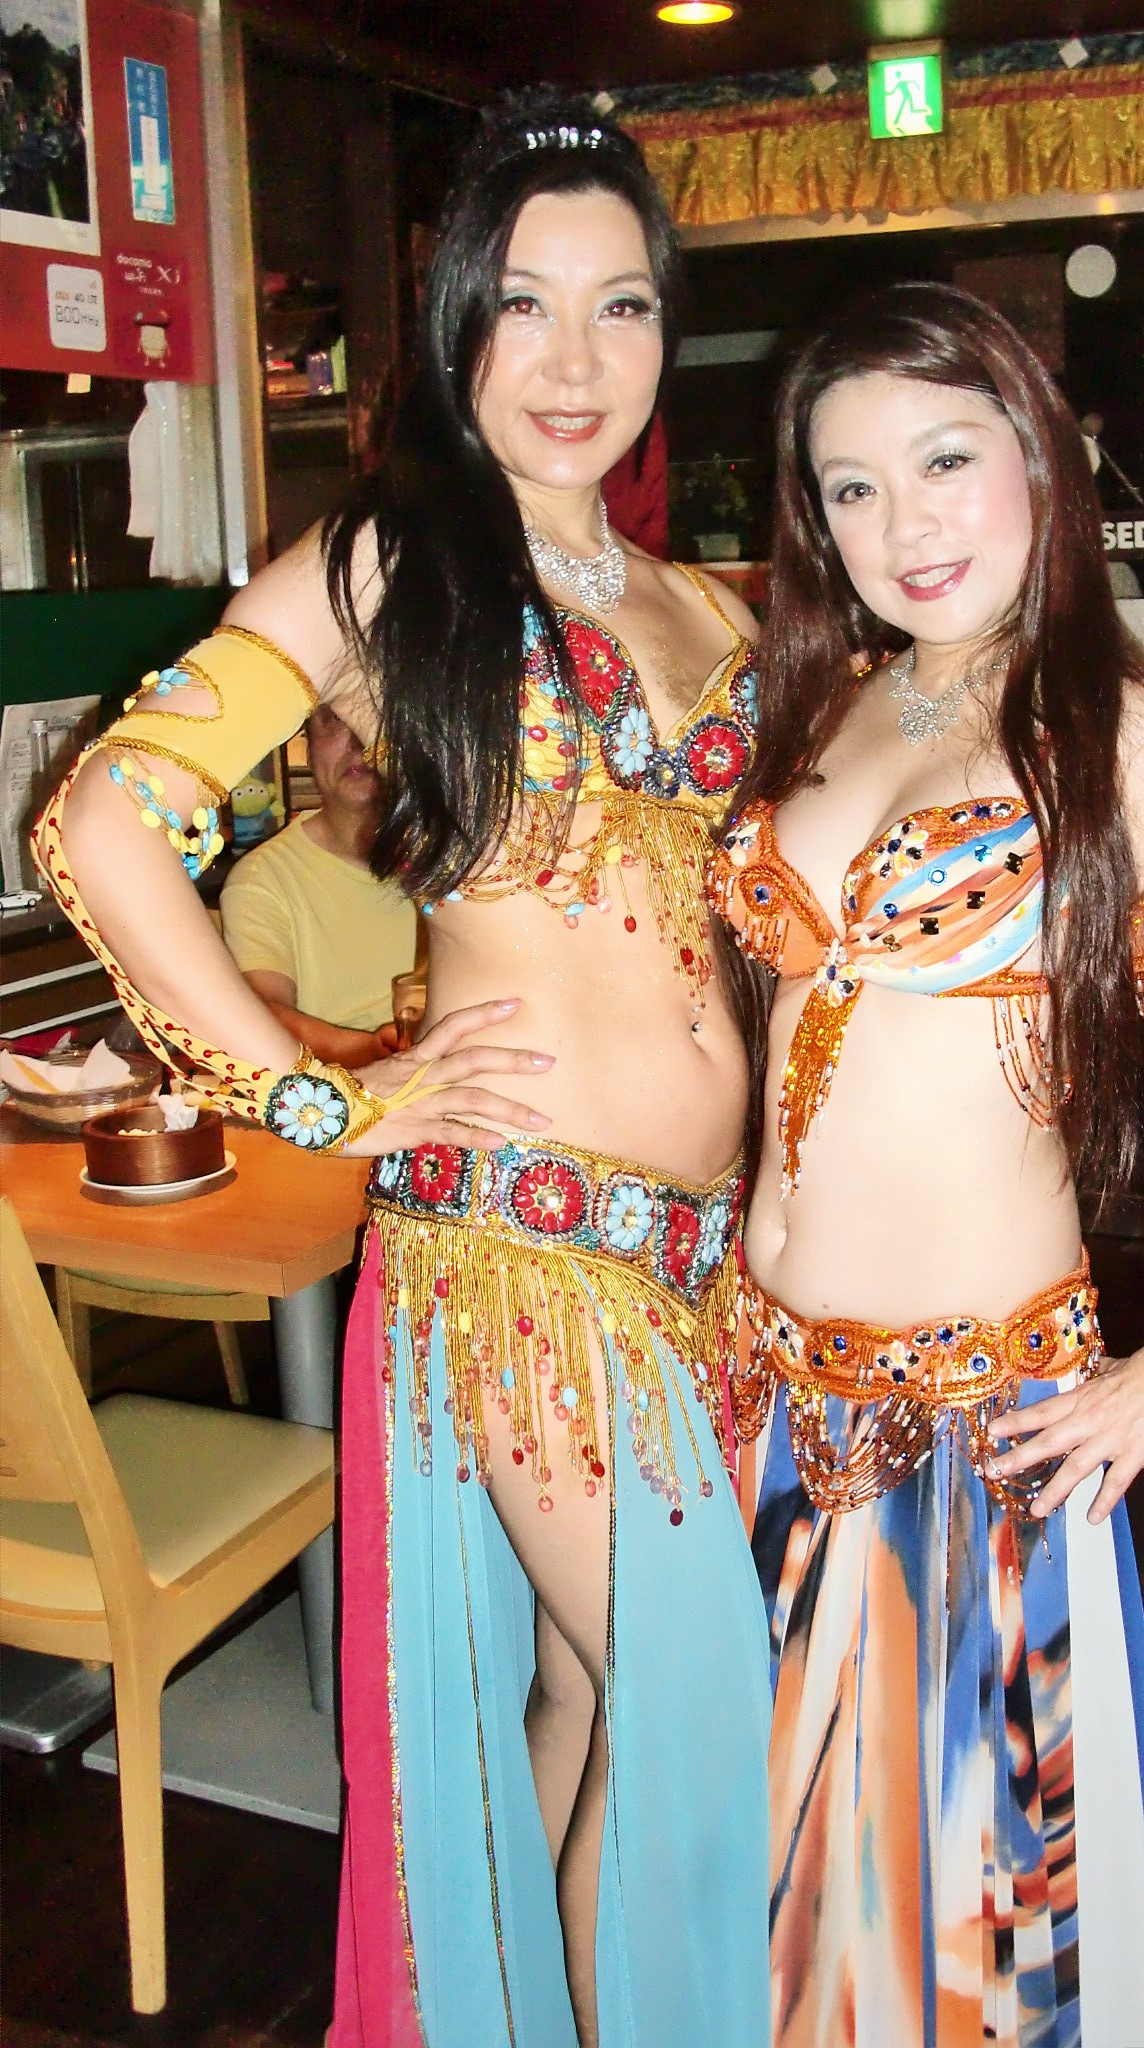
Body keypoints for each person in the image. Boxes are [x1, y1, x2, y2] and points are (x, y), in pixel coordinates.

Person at [34, 99, 769, 2048]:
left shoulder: (703, 607)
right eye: (525, 303)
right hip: (521, 1255)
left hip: (707, 1264)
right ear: (457, 326)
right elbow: (107, 819)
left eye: (621, 305)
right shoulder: (383, 565)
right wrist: (321, 1099)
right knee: (703, 1703)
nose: (575, 357)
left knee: (591, 1697)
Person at [709, 283, 1144, 2048]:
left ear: (1039, 456)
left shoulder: (1118, 726)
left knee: (965, 1936)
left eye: (946, 460)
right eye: (854, 486)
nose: (905, 522)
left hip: (974, 1419)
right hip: (761, 1386)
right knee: (786, 1905)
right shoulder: (836, 701)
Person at [220, 701, 417, 1067]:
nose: (359, 740)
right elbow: (261, 1013)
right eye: (336, 720)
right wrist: (375, 1051)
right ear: (309, 749)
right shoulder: (263, 878)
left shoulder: (466, 858)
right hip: (343, 1089)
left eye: (378, 714)